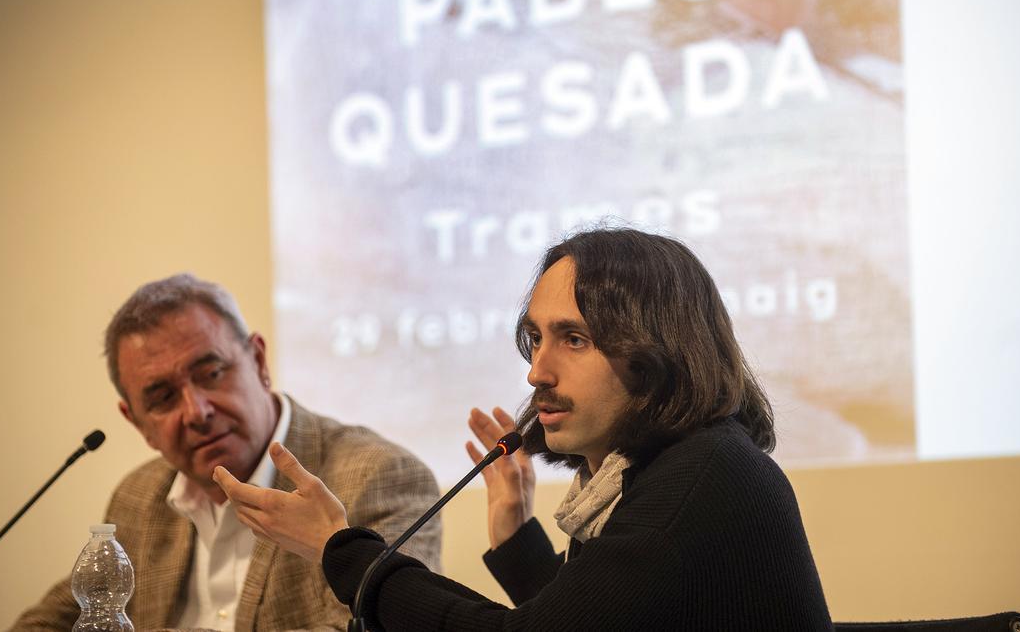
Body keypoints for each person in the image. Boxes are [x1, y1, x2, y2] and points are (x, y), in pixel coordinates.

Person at [213, 229, 834, 630]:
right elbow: (588, 621)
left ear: (658, 350)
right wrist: (516, 539)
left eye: (574, 339)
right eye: (536, 339)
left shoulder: (702, 474)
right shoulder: (659, 470)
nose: (537, 370)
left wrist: (340, 550)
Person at [11, 275, 441, 631]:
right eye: (161, 397)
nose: (196, 412)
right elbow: (65, 615)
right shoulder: (138, 497)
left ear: (258, 361)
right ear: (137, 422)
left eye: (212, 373)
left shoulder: (379, 477)